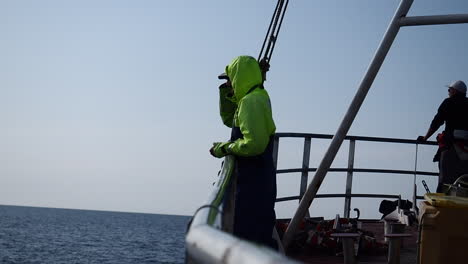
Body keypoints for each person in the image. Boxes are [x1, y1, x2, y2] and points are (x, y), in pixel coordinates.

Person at [209, 55, 277, 248]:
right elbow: (230, 119)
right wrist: (224, 91)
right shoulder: (254, 98)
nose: (229, 84)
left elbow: (254, 145)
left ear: (239, 77)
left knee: (250, 237)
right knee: (257, 234)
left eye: (229, 79)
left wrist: (224, 148)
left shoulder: (250, 102)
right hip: (258, 179)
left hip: (252, 183)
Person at [418, 80, 468, 192]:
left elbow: (437, 122)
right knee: (466, 184)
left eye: (449, 90)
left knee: (445, 183)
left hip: (451, 148)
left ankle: (444, 207)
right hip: (466, 150)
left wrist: (425, 138)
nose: (448, 92)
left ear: (454, 91)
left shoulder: (448, 102)